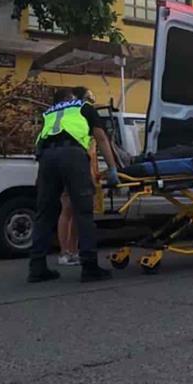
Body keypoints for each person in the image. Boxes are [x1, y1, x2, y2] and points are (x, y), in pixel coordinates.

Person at [28, 88, 119, 283]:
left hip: (47, 158)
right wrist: (112, 168)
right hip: (72, 156)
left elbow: (40, 140)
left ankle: (37, 268)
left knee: (44, 213)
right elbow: (101, 137)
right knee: (83, 212)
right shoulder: (84, 107)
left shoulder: (50, 112)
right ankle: (89, 267)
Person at [56, 87, 101, 267]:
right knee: (68, 210)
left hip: (79, 168)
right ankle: (66, 252)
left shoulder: (66, 117)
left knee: (75, 213)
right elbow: (97, 142)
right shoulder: (80, 117)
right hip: (76, 168)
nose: (92, 101)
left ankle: (72, 251)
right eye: (89, 98)